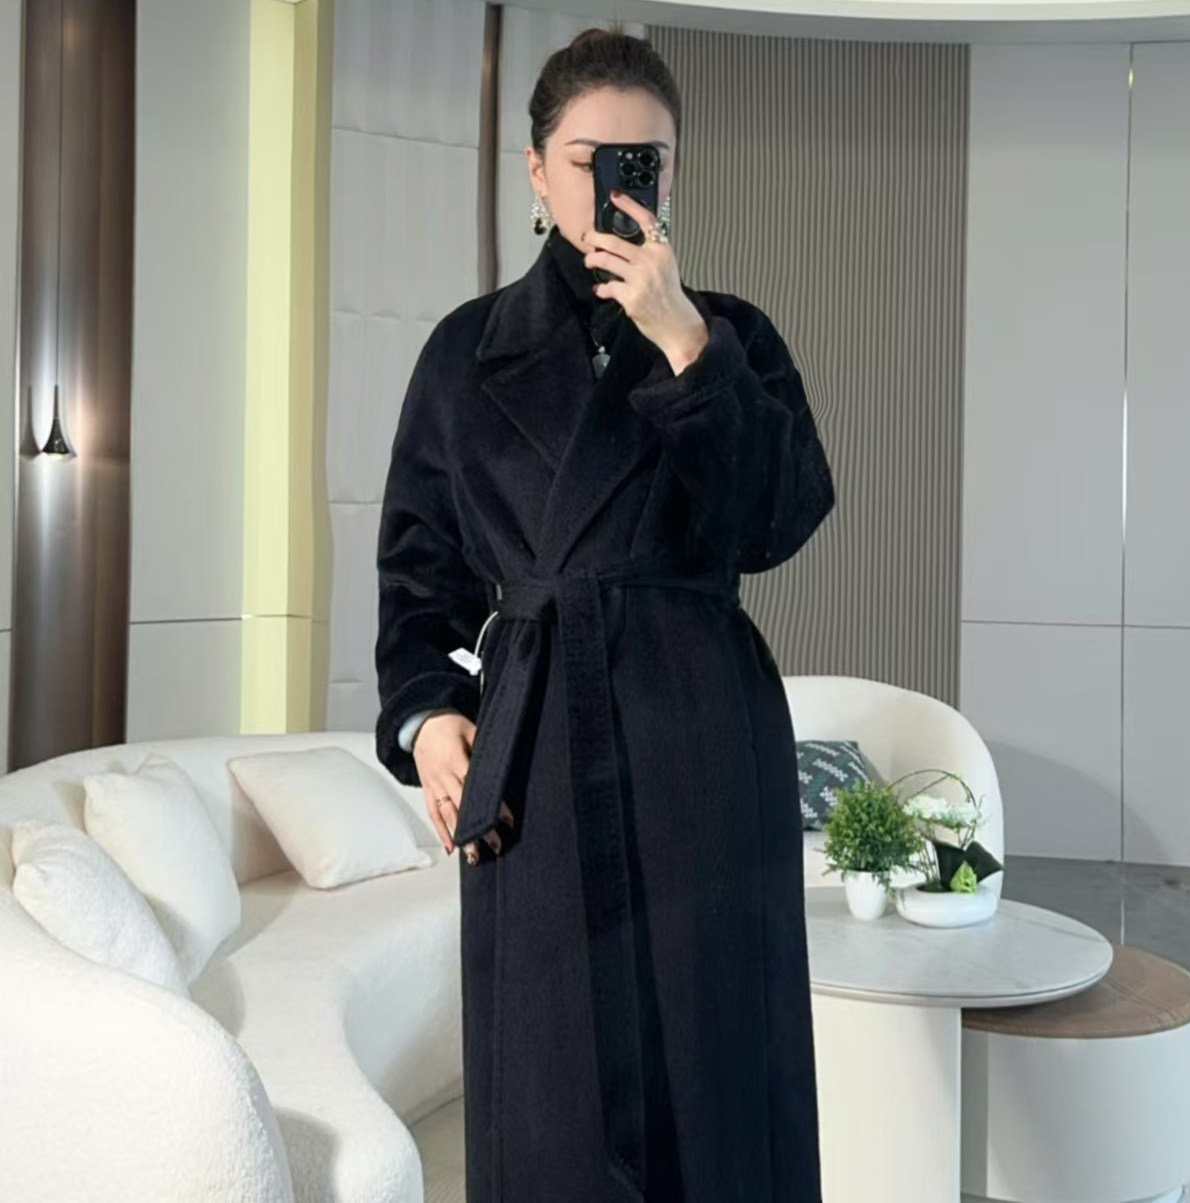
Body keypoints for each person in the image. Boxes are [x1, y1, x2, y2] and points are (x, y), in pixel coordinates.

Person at [374, 27, 835, 1203]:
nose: (620, 187)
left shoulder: (733, 336)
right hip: (536, 751)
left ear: (674, 174)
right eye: (591, 161)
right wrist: (429, 717)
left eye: (648, 163)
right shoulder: (464, 353)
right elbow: (417, 574)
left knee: (718, 1066)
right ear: (537, 170)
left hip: (703, 747)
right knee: (550, 1089)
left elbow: (779, 523)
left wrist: (687, 347)